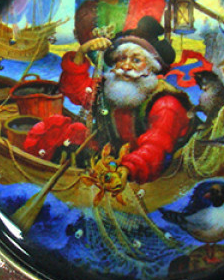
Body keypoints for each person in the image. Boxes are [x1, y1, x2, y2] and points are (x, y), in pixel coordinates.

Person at [59, 16, 192, 185]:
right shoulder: (111, 89)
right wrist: (81, 52)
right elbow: (78, 91)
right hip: (115, 163)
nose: (126, 66)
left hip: (149, 175)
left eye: (136, 60)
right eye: (122, 58)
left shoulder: (166, 103)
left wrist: (126, 170)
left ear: (151, 67)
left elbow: (155, 147)